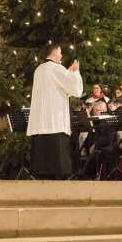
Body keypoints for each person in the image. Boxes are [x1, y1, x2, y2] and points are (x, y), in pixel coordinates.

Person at [27, 45, 83, 179]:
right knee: (57, 171)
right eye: (60, 52)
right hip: (54, 123)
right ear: (53, 53)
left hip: (40, 124)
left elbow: (57, 86)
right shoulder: (56, 68)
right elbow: (75, 89)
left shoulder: (39, 70)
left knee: (42, 171)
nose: (61, 56)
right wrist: (75, 72)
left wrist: (67, 72)